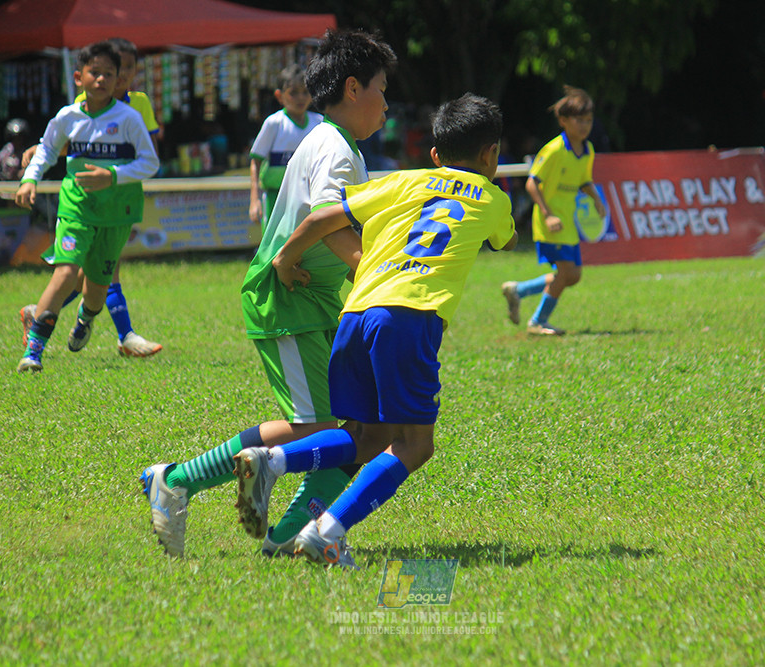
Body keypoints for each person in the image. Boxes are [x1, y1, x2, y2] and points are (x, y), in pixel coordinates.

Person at [139, 29, 397, 559]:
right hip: (288, 299)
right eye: (382, 89)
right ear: (353, 88)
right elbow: (327, 220)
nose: (387, 104)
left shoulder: (337, 143)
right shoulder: (335, 150)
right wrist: (373, 272)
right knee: (322, 427)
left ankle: (285, 537)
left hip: (314, 299)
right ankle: (180, 478)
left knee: (354, 426)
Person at [232, 93, 517, 569]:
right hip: (410, 316)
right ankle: (328, 531)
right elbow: (505, 240)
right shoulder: (492, 197)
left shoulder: (405, 180)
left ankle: (273, 461)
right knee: (415, 445)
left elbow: (323, 216)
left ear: (433, 156)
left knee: (367, 436)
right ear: (491, 154)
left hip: (357, 312)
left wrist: (285, 257)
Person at [14, 40, 159, 373]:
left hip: (116, 212)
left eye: (110, 73)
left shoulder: (129, 117)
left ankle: (86, 318)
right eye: (95, 73)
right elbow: (47, 151)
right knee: (65, 273)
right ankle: (33, 353)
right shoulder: (68, 116)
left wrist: (113, 175)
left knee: (95, 291)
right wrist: (29, 179)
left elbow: (150, 163)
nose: (102, 79)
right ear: (79, 77)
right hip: (77, 208)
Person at [500, 85, 606, 336]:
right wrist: (548, 214)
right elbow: (531, 183)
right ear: (563, 121)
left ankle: (519, 291)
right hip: (550, 222)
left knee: (572, 276)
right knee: (566, 272)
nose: (584, 125)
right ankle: (538, 321)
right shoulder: (554, 150)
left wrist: (597, 199)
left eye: (588, 120)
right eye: (579, 120)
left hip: (566, 222)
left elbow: (584, 181)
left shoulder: (587, 150)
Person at [248, 64, 323, 227]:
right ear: (279, 96)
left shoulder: (319, 123)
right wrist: (255, 199)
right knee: (276, 248)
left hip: (309, 197)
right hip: (277, 197)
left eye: (305, 92)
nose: (300, 98)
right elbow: (256, 160)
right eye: (293, 93)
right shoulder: (274, 123)